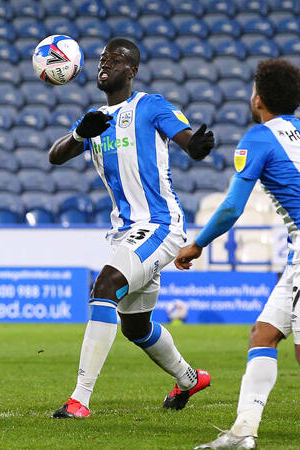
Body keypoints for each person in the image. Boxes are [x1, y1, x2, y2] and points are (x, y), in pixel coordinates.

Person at [47, 38, 216, 418]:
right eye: (103, 59)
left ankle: (79, 400)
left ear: (132, 71)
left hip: (159, 224)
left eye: (116, 59)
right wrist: (79, 134)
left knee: (104, 286)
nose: (105, 64)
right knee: (136, 327)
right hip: (127, 232)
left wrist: (197, 146)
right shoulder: (95, 119)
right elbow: (55, 156)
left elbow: (187, 139)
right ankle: (190, 378)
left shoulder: (149, 105)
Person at [176, 59, 300, 450]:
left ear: (258, 98)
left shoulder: (258, 138)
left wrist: (197, 244)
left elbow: (231, 207)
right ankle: (243, 432)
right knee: (263, 335)